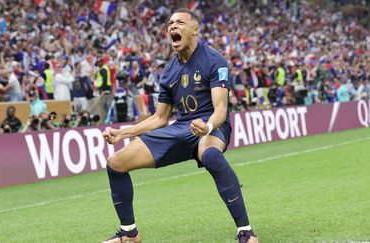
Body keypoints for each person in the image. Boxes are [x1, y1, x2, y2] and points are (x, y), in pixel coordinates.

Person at [102, 8, 258, 243]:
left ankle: (245, 232)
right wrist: (122, 133)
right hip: (181, 127)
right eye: (170, 24)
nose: (172, 27)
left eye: (180, 23)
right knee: (116, 163)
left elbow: (221, 110)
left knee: (211, 155)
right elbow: (160, 118)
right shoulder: (168, 72)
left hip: (212, 125)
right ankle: (129, 233)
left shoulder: (214, 60)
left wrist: (206, 128)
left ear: (195, 30)